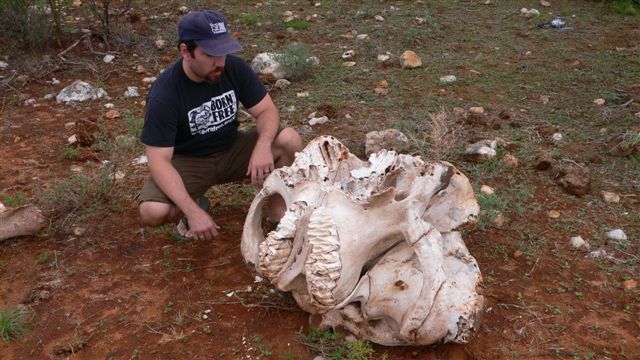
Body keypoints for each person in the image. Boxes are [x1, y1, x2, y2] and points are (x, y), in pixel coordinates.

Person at [138, 10, 303, 241]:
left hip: (231, 149)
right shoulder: (165, 94)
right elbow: (159, 161)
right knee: (152, 211)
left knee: (289, 140)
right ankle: (194, 204)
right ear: (186, 51)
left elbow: (267, 110)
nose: (220, 62)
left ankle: (278, 214)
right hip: (191, 162)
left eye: (223, 52)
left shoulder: (234, 68)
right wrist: (191, 211)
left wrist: (263, 145)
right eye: (210, 54)